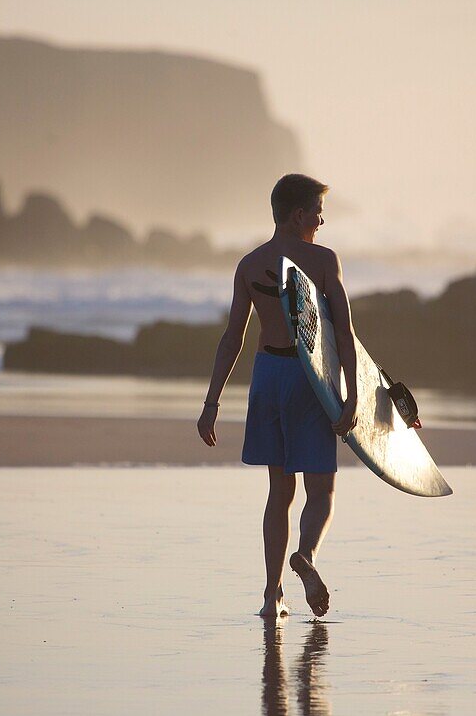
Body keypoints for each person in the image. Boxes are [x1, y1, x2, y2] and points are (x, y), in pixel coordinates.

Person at [197, 174, 359, 618]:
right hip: (309, 380)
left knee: (278, 491)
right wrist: (354, 396)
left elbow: (233, 336)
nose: (322, 221)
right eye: (317, 212)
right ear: (298, 214)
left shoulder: (249, 264)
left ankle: (272, 594)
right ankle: (306, 555)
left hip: (268, 374)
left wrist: (212, 401)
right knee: (321, 489)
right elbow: (343, 332)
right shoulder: (324, 260)